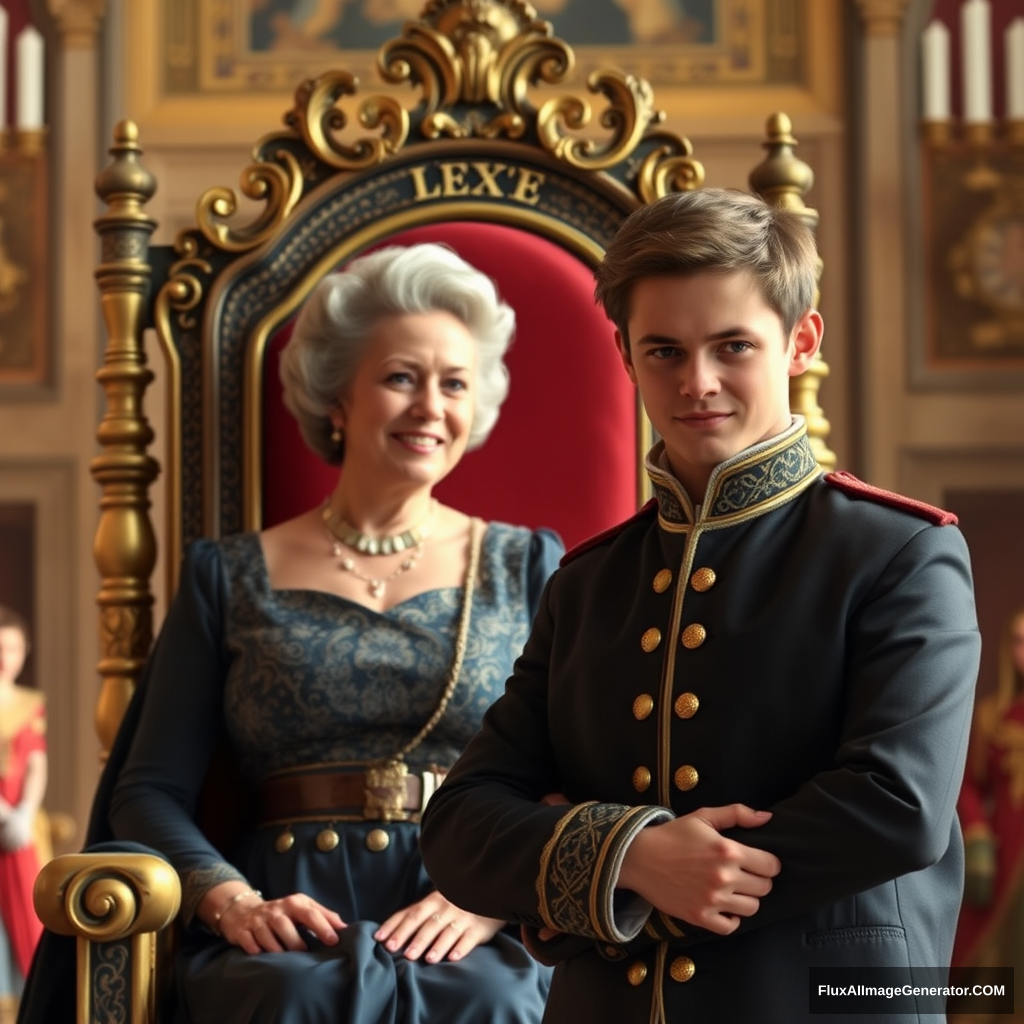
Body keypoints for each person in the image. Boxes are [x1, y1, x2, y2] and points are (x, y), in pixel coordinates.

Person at [419, 188, 982, 1023]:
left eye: (732, 346)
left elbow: (897, 808)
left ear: (801, 341)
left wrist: (679, 873)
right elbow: (461, 824)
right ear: (624, 354)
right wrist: (631, 858)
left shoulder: (901, 551)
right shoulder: (589, 582)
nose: (698, 382)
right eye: (665, 351)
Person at [22, 244, 562, 1024]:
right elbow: (149, 790)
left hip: (466, 896)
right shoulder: (227, 574)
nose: (430, 407)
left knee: (495, 995)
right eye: (400, 377)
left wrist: (493, 900)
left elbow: (575, 769)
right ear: (338, 397)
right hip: (283, 908)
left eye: (454, 384)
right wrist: (229, 902)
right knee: (291, 995)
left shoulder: (528, 565)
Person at [953, 608, 1024, 986]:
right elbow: (967, 785)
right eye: (1019, 640)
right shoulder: (991, 717)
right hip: (1004, 851)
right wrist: (978, 836)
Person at [0, 607, 45, 1024]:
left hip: (19, 829)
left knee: (28, 913)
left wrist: (24, 813)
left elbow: (35, 763)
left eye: (11, 647)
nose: (4, 656)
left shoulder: (30, 703)